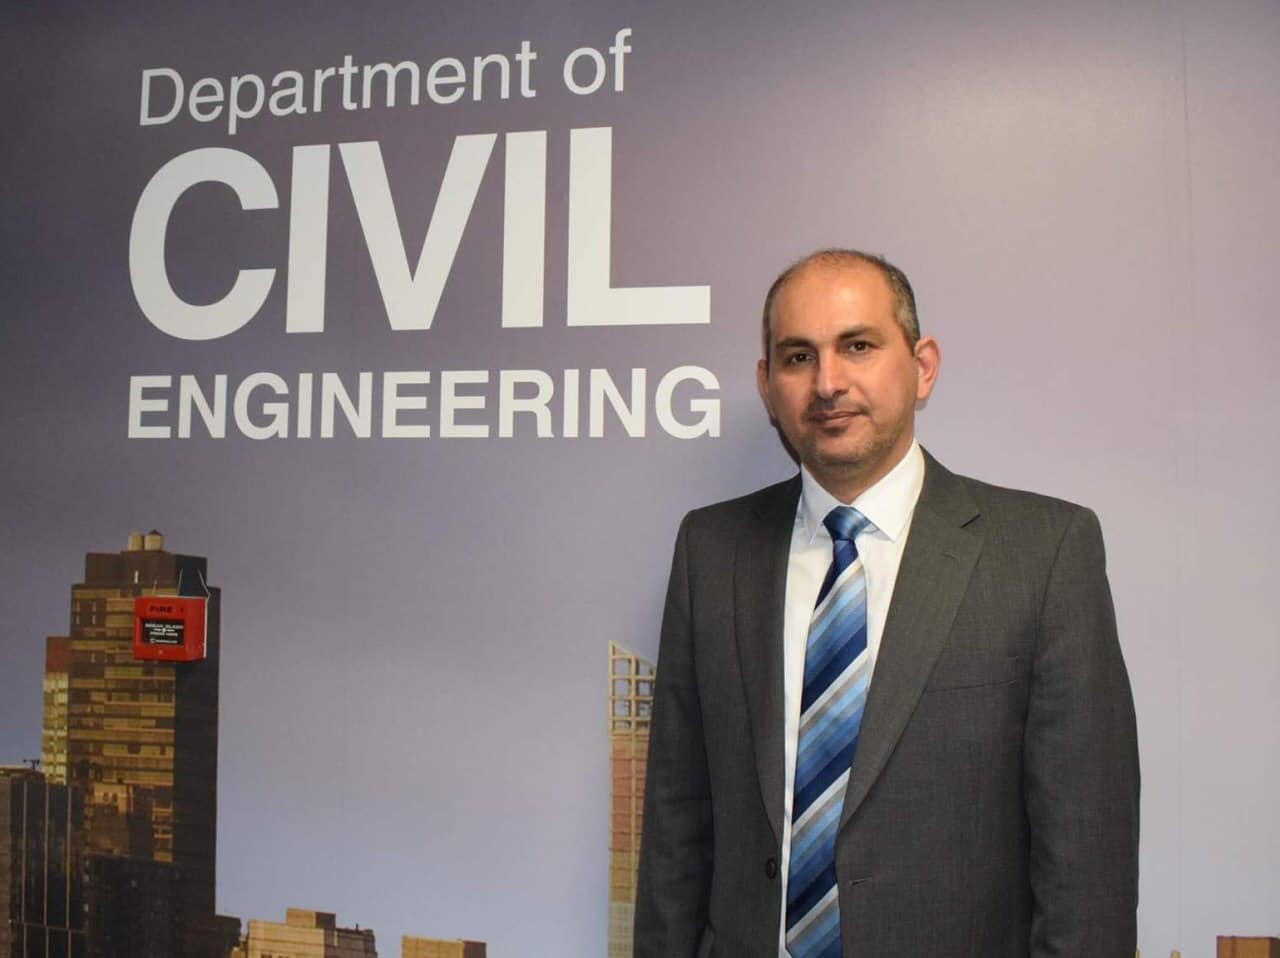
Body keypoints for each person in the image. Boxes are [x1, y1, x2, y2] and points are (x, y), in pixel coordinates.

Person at [633, 249, 1139, 958]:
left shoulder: (1044, 553)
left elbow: (1087, 860)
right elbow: (676, 825)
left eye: (858, 346)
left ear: (923, 366)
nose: (827, 383)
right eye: (798, 357)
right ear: (767, 386)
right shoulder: (712, 552)